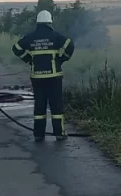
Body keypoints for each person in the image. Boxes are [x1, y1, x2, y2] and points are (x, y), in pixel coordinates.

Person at [12, 10, 75, 140]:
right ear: (50, 22)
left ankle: (39, 135)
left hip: (37, 78)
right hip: (54, 77)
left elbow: (16, 48)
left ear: (38, 23)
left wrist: (28, 59)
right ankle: (59, 133)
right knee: (56, 105)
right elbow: (70, 44)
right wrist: (62, 59)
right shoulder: (55, 36)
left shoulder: (31, 37)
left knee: (40, 105)